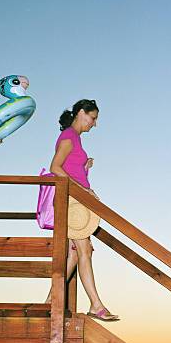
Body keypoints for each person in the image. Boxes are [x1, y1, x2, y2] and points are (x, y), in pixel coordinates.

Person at [46, 98, 118, 321]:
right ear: (81, 113)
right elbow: (55, 167)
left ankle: (50, 301)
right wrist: (84, 191)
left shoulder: (74, 138)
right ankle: (96, 305)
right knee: (84, 251)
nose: (94, 124)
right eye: (93, 118)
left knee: (77, 254)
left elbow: (69, 171)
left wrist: (85, 169)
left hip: (75, 200)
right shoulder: (69, 136)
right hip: (72, 202)